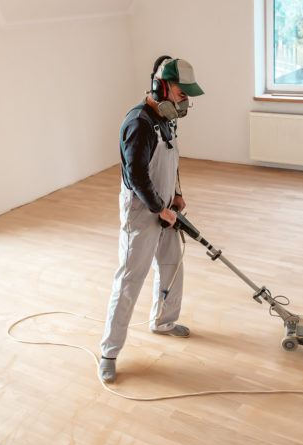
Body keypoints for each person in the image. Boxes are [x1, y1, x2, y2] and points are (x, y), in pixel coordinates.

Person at [99, 56, 204, 383]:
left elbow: (170, 160)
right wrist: (160, 208)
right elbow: (137, 175)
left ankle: (163, 321)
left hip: (163, 205)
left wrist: (176, 193)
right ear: (161, 86)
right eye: (181, 91)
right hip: (140, 211)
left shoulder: (167, 118)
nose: (185, 98)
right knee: (130, 279)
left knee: (172, 265)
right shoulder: (138, 123)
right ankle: (109, 351)